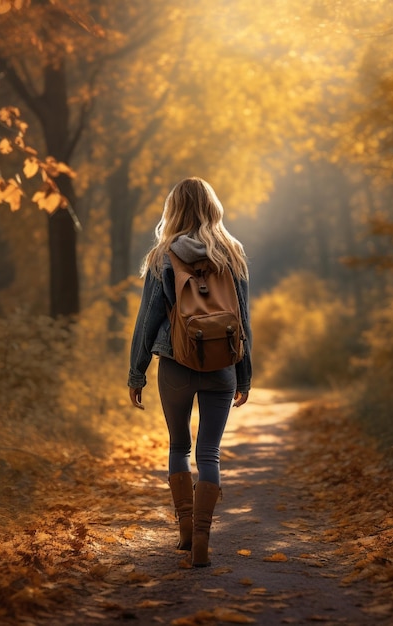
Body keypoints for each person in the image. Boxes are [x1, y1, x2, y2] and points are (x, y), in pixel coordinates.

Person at [128, 177, 252, 567]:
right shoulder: (232, 253)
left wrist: (137, 372)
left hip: (176, 364)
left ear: (173, 210)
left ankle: (184, 532)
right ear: (213, 207)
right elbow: (243, 319)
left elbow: (148, 318)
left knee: (179, 447)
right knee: (209, 452)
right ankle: (202, 537)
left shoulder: (162, 255)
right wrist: (244, 374)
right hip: (222, 366)